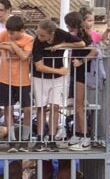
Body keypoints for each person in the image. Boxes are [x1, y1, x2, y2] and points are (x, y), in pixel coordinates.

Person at [31, 19, 85, 152]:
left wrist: (63, 45)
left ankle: (52, 138)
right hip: (41, 77)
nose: (40, 37)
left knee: (55, 106)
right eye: (38, 34)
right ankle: (39, 138)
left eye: (43, 35)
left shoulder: (61, 34)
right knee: (41, 107)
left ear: (51, 33)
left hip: (58, 79)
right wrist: (59, 71)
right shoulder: (37, 42)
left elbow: (81, 43)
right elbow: (38, 66)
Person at [0, 14, 33, 153]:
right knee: (8, 108)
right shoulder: (5, 34)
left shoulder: (29, 39)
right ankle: (12, 141)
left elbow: (25, 55)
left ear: (21, 30)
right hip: (5, 78)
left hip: (22, 79)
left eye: (13, 33)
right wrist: (7, 46)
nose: (10, 35)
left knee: (28, 109)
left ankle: (25, 139)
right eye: (9, 33)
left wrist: (13, 45)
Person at [64, 11, 98, 151]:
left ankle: (85, 136)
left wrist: (82, 62)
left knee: (79, 107)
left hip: (82, 73)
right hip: (76, 72)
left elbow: (94, 51)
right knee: (76, 106)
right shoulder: (75, 36)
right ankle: (77, 134)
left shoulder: (84, 36)